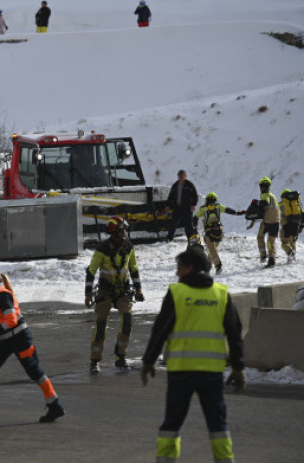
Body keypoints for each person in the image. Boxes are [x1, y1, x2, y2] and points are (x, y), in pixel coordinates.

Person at [140, 247, 245, 463]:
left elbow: (160, 330)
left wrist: (148, 361)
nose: (177, 274)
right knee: (218, 425)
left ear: (189, 268)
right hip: (212, 374)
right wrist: (238, 367)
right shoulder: (221, 294)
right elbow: (235, 334)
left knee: (172, 423)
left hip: (181, 371)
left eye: (179, 268)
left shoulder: (178, 293)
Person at [0, 266, 65, 424]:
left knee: (34, 372)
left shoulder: (1, 295)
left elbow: (11, 320)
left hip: (20, 339)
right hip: (7, 340)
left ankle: (56, 406)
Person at [85, 216, 144, 374]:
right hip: (105, 292)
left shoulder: (129, 248)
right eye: (121, 230)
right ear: (113, 232)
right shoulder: (101, 250)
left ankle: (120, 357)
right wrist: (88, 294)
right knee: (101, 324)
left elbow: (133, 269)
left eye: (125, 230)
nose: (124, 233)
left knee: (127, 321)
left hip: (123, 291)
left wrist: (139, 289)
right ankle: (94, 361)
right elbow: (90, 271)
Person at [192, 192, 245, 274]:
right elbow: (228, 210)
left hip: (209, 232)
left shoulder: (203, 209)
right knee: (212, 250)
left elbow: (195, 218)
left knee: (211, 250)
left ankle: (218, 266)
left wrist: (195, 229)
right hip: (219, 232)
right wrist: (238, 213)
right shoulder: (219, 207)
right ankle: (208, 264)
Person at [165, 169, 198, 241]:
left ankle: (190, 239)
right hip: (177, 208)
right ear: (178, 176)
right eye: (180, 176)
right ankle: (169, 238)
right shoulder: (175, 185)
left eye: (183, 175)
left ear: (185, 176)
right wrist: (167, 205)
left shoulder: (189, 185)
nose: (181, 177)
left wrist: (193, 205)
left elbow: (195, 195)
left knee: (188, 224)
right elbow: (170, 196)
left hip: (187, 208)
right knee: (173, 223)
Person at [257, 177, 280, 268]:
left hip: (267, 222)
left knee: (260, 236)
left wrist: (257, 203)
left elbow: (265, 203)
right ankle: (272, 259)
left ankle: (263, 255)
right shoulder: (273, 196)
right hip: (276, 222)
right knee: (271, 241)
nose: (262, 188)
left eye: (263, 186)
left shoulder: (264, 195)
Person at [279, 188, 302, 263]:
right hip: (296, 223)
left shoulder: (281, 204)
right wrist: (301, 225)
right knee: (293, 241)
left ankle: (290, 253)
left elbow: (277, 215)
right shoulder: (296, 203)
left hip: (286, 224)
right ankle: (292, 259)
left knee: (284, 243)